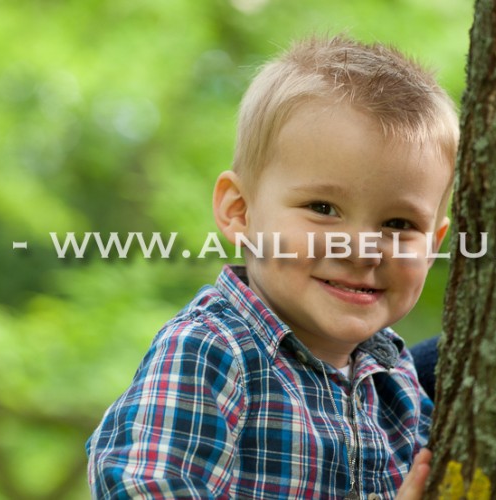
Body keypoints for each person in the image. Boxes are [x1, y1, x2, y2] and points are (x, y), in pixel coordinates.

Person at [86, 35, 458, 499]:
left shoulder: (397, 377)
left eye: (399, 224)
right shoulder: (212, 351)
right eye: (322, 208)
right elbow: (145, 488)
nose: (362, 250)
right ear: (240, 211)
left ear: (433, 244)